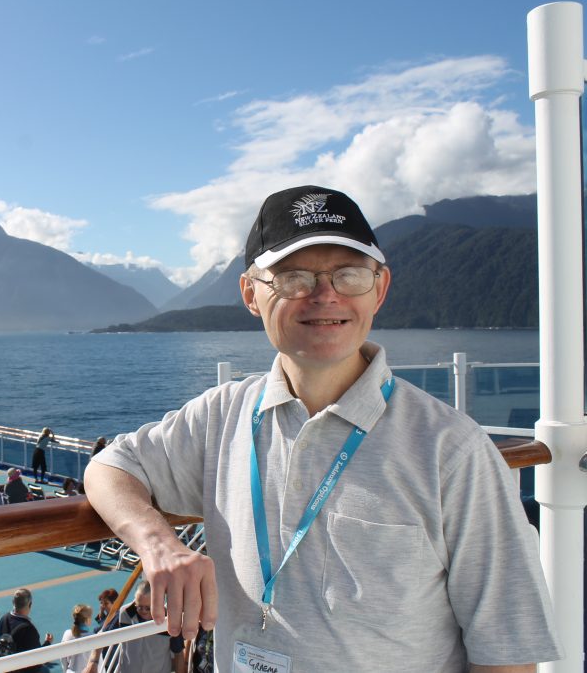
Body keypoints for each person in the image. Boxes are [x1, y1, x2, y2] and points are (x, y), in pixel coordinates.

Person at [84, 185, 562, 672]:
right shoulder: (222, 416)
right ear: (251, 293)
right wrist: (159, 545)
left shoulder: (452, 451)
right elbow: (110, 467)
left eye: (349, 275)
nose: (326, 294)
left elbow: (507, 652)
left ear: (380, 288)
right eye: (294, 277)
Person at [107, 581, 185, 673]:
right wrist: (93, 662)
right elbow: (103, 635)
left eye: (148, 608)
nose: (143, 611)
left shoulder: (169, 620)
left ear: (159, 603)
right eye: (139, 607)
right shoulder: (125, 613)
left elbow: (178, 653)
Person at [0, 588, 52, 673]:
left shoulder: (3, 619)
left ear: (13, 602)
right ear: (29, 604)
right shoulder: (29, 629)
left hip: (7, 667)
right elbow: (38, 657)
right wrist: (47, 643)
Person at [59, 603, 93, 673]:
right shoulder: (93, 637)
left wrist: (66, 671)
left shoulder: (67, 634)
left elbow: (63, 658)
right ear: (87, 619)